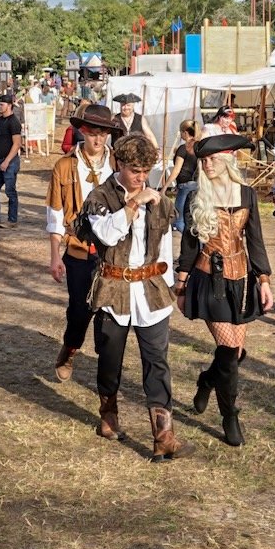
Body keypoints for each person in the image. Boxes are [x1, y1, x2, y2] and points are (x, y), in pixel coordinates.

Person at [76, 133, 188, 460]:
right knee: (110, 359)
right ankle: (108, 416)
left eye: (146, 171)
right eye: (135, 170)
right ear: (119, 164)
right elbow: (108, 233)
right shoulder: (99, 197)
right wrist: (133, 203)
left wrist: (168, 286)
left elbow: (165, 247)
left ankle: (163, 435)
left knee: (157, 360)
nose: (142, 177)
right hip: (113, 289)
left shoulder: (160, 202)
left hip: (151, 291)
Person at [177, 134, 272, 447]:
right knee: (229, 352)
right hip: (208, 277)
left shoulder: (246, 195)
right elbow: (190, 242)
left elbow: (255, 239)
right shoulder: (198, 196)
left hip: (239, 279)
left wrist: (264, 280)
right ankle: (230, 416)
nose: (207, 165)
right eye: (204, 160)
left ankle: (207, 380)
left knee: (237, 353)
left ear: (228, 160)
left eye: (213, 159)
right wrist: (181, 281)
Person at [46, 104, 118, 383]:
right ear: (83, 132)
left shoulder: (117, 164)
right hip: (77, 248)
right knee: (79, 308)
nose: (98, 140)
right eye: (93, 133)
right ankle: (71, 348)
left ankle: (106, 361)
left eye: (104, 134)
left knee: (108, 311)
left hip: (112, 251)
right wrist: (54, 256)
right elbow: (54, 214)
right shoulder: (65, 166)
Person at [0, 93, 23, 228]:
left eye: (2, 105)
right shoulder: (0, 120)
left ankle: (12, 220)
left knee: (10, 191)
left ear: (9, 106)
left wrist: (7, 161)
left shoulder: (14, 122)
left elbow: (17, 144)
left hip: (10, 162)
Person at [165, 119, 200, 232]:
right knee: (194, 216)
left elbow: (176, 170)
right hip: (197, 184)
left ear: (185, 132)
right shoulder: (199, 147)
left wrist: (165, 187)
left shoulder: (183, 148)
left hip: (184, 185)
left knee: (179, 217)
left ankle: (184, 239)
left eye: (181, 132)